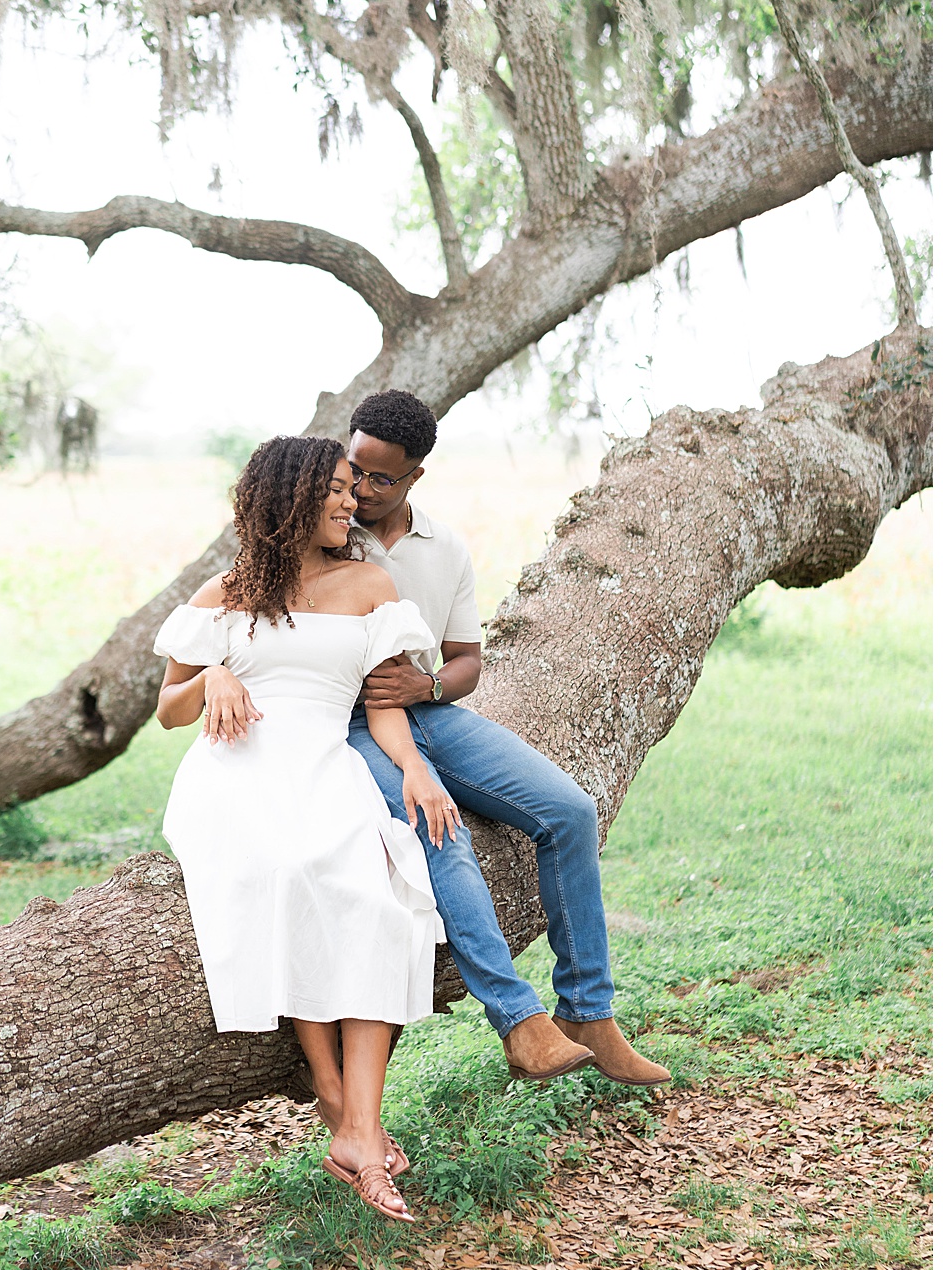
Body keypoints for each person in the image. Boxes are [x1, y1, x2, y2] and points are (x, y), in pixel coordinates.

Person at [199, 395, 669, 1090]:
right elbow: (231, 621)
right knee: (436, 826)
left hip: (425, 710)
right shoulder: (318, 528)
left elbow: (466, 660)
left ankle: (588, 1011)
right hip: (347, 725)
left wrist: (431, 691)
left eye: (378, 480)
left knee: (570, 812)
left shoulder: (442, 548)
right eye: (352, 470)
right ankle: (518, 1021)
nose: (358, 490)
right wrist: (215, 671)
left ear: (414, 478)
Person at [153, 434, 464, 1224]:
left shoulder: (370, 583)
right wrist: (215, 673)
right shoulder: (227, 590)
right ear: (288, 496)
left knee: (373, 898)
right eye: (332, 488)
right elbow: (167, 709)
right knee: (288, 874)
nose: (349, 500)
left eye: (352, 489)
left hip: (325, 763)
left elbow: (385, 705)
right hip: (236, 769)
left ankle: (356, 1126)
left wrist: (416, 771)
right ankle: (337, 1105)